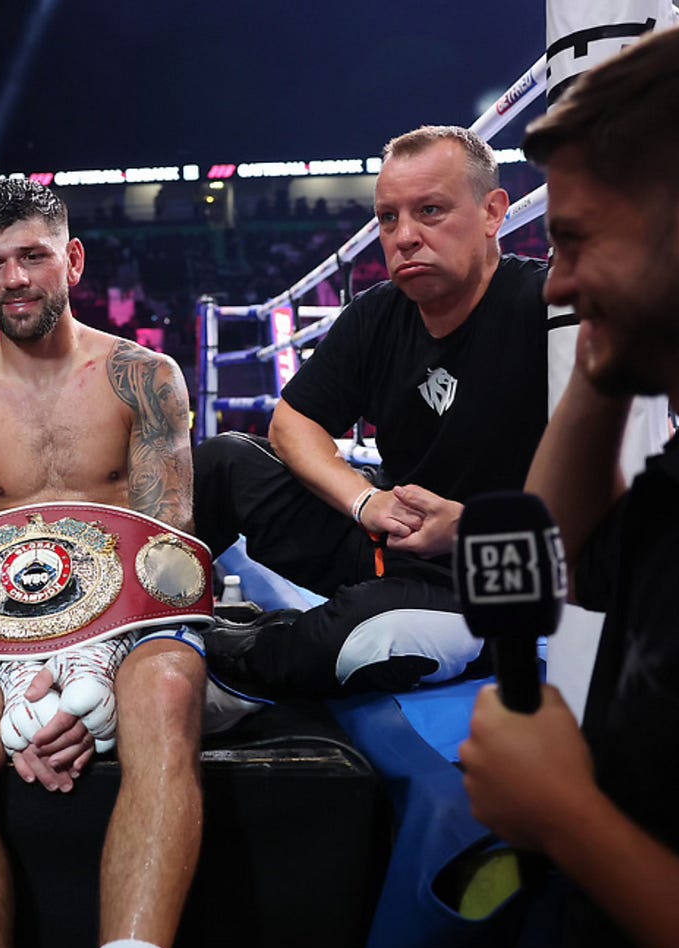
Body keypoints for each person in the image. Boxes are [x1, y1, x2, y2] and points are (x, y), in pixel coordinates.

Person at [460, 6, 679, 948]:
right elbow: (569, 550)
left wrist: (569, 817)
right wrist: (610, 361)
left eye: (575, 241)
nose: (555, 284)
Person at [0, 179, 203, 948]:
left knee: (166, 692)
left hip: (138, 622)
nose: (16, 279)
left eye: (33, 255)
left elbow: (164, 555)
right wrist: (25, 696)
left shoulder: (145, 376)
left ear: (70, 259)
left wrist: (93, 670)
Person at [196, 125, 550, 697]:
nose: (404, 236)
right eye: (389, 218)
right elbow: (291, 422)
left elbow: (618, 495)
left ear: (493, 213)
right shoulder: (379, 313)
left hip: (492, 572)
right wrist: (365, 502)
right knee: (222, 461)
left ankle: (223, 665)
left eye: (430, 210)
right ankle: (141, 625)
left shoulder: (550, 312)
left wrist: (469, 527)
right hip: (391, 545)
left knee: (363, 637)